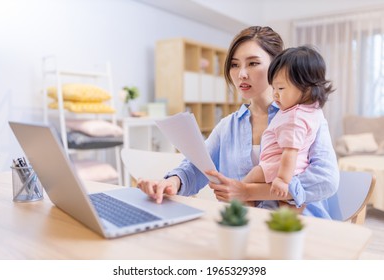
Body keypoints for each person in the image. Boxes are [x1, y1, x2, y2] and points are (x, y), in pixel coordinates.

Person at [137, 26, 339, 219]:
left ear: (277, 65)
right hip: (244, 226)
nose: (241, 74)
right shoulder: (227, 126)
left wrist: (247, 192)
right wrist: (171, 183)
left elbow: (326, 180)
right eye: (234, 65)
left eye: (253, 63)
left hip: (298, 227)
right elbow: (197, 167)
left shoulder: (306, 115)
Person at [241, 46, 334, 199]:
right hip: (298, 167)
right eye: (274, 87)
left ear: (307, 89)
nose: (275, 94)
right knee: (288, 203)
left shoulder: (294, 118)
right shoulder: (312, 110)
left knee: (245, 185)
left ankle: (245, 211)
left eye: (281, 88)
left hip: (275, 167)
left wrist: (283, 180)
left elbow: (290, 151)